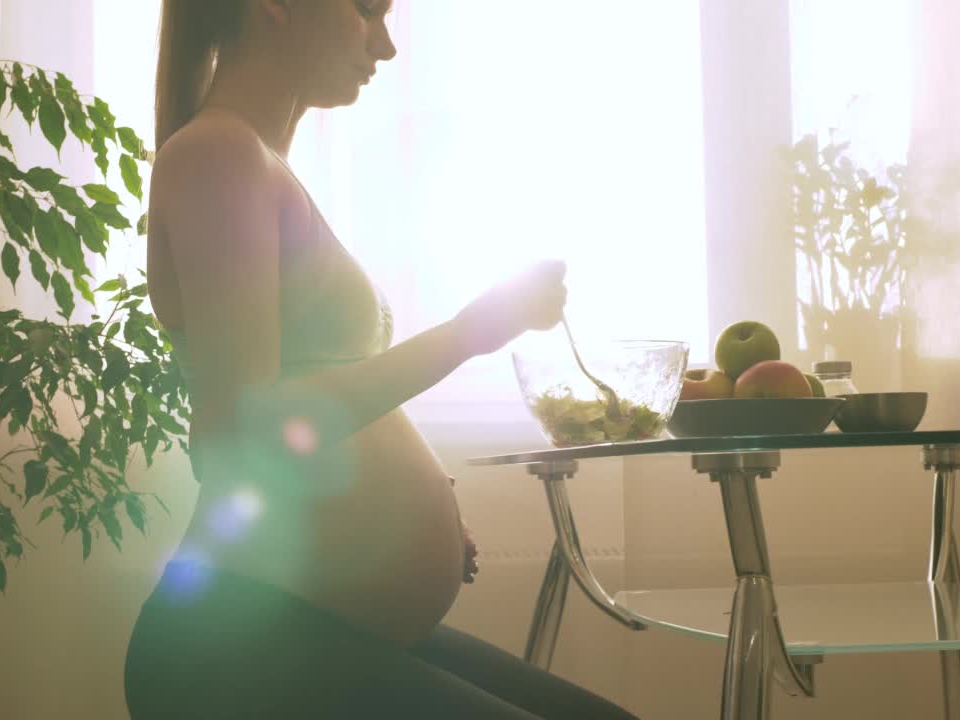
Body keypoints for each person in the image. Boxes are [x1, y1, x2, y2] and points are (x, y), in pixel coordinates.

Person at [124, 1, 637, 718]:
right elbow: (239, 434)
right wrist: (469, 331)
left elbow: (301, 411)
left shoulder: (260, 164)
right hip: (235, 646)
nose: (387, 46)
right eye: (368, 9)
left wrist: (390, 517)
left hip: (307, 622)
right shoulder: (217, 155)